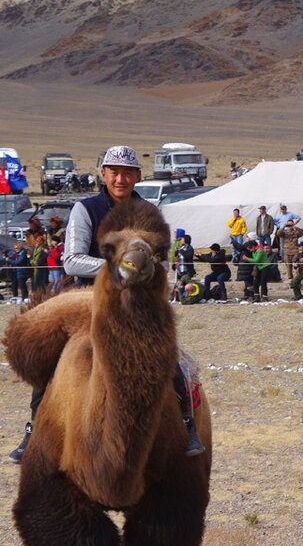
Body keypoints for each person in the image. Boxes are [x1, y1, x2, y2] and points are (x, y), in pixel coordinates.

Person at [10, 145, 203, 465]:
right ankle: (34, 428)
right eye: (114, 171)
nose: (120, 178)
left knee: (167, 353)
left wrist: (150, 275)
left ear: (137, 176)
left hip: (137, 302)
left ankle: (186, 423)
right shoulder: (85, 210)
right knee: (52, 357)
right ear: (103, 174)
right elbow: (71, 261)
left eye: (127, 173)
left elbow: (162, 261)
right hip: (89, 300)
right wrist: (118, 271)